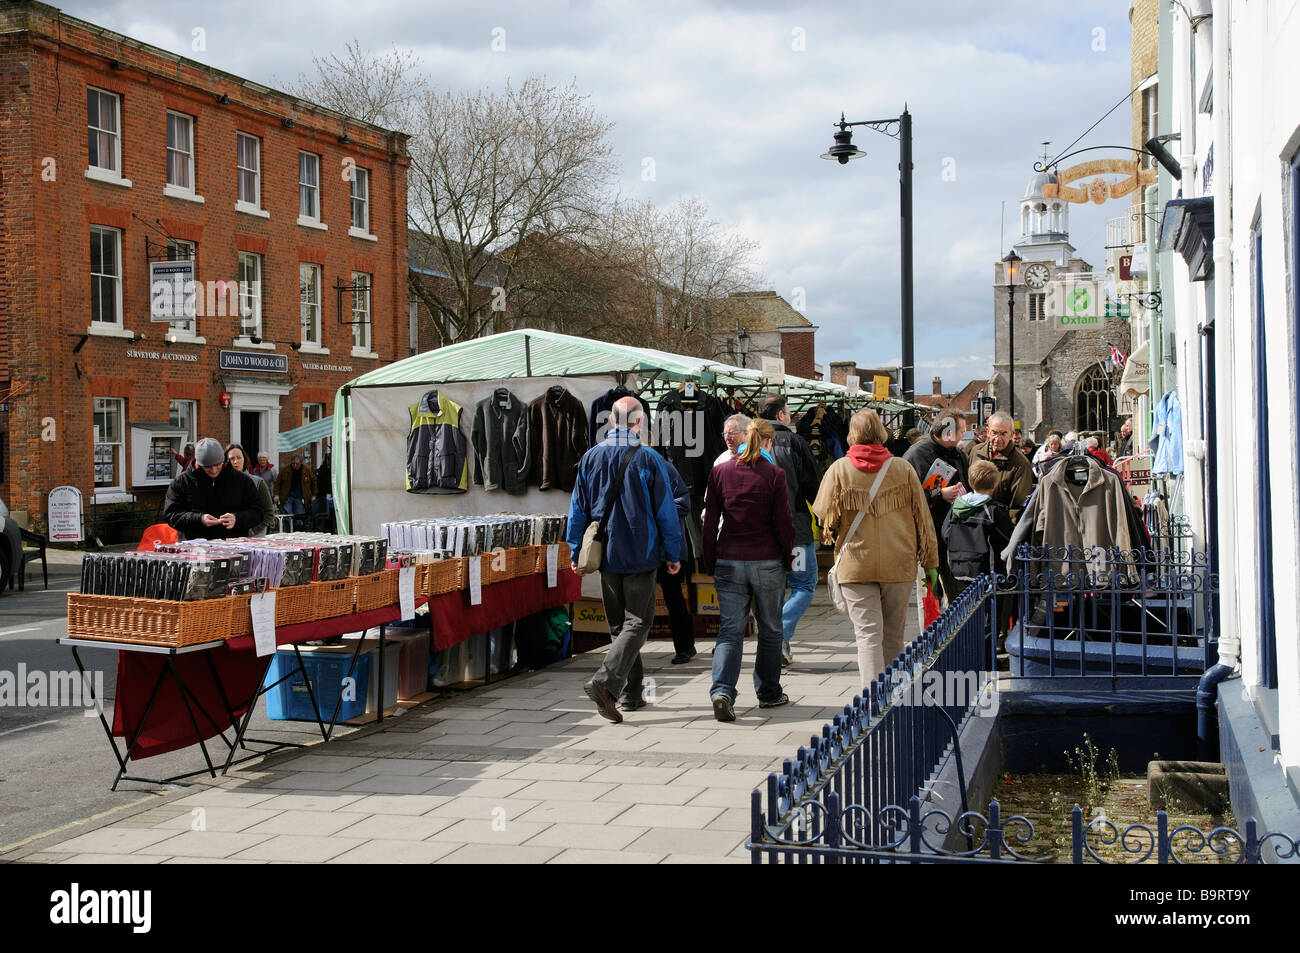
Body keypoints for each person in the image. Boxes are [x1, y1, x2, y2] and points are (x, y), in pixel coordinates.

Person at [567, 396, 683, 723]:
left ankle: (632, 694)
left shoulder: (591, 457)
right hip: (640, 551)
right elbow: (666, 512)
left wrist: (575, 550)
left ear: (612, 420)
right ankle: (605, 682)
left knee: (620, 625)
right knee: (638, 624)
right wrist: (673, 553)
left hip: (605, 552)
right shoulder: (648, 458)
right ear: (639, 422)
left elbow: (577, 509)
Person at [813, 408, 938, 690]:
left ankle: (871, 700)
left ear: (852, 435)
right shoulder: (902, 468)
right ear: (881, 432)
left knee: (868, 635)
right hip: (899, 562)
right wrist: (930, 562)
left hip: (856, 564)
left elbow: (822, 514)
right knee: (893, 635)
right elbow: (923, 520)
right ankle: (892, 693)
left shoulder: (839, 470)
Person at [700, 417, 794, 721]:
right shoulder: (774, 474)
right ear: (767, 442)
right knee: (770, 629)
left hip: (729, 558)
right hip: (767, 561)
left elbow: (710, 521)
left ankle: (723, 690)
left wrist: (709, 559)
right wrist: (787, 559)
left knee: (730, 630)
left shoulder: (719, 472)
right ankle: (768, 692)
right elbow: (784, 523)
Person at [757, 395, 821, 666]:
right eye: (789, 412)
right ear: (781, 415)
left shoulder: (750, 444)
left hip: (759, 534)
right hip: (794, 531)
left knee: (771, 590)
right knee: (804, 584)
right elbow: (813, 487)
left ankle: (775, 640)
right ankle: (777, 636)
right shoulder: (795, 443)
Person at [903, 409, 969, 605]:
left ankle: (957, 634)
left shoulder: (959, 455)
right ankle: (931, 634)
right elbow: (906, 497)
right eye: (961, 431)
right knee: (930, 596)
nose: (963, 435)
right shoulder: (916, 454)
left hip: (955, 536)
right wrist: (940, 494)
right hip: (927, 537)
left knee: (958, 594)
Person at [164, 437, 265, 541]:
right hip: (195, 549)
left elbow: (258, 512)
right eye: (207, 467)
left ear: (224, 461)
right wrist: (199, 519)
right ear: (198, 464)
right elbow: (171, 515)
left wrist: (237, 518)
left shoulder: (242, 480)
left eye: (217, 465)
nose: (213, 470)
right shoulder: (181, 482)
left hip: (234, 547)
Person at [941, 460, 1014, 598]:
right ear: (994, 485)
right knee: (985, 612)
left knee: (963, 611)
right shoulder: (994, 511)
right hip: (986, 570)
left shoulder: (955, 508)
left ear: (970, 482)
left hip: (957, 567)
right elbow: (1007, 538)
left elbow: (945, 533)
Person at [967, 411, 1034, 523]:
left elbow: (1017, 507)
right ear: (988, 432)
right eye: (994, 433)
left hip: (997, 527)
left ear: (1012, 435)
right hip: (972, 523)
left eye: (1003, 434)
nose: (998, 439)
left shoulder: (1021, 464)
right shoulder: (976, 451)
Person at [225, 442, 276, 535]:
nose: (236, 461)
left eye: (239, 458)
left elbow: (269, 512)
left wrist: (253, 530)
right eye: (232, 458)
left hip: (254, 537)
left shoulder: (258, 482)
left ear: (244, 460)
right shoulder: (223, 483)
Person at [275, 453, 317, 527]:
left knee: (299, 516)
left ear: (301, 463)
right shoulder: (285, 470)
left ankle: (298, 532)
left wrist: (314, 494)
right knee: (287, 516)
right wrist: (276, 495)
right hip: (287, 497)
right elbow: (278, 483)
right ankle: (287, 533)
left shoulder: (307, 470)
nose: (294, 465)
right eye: (293, 463)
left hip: (300, 497)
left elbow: (314, 482)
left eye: (297, 464)